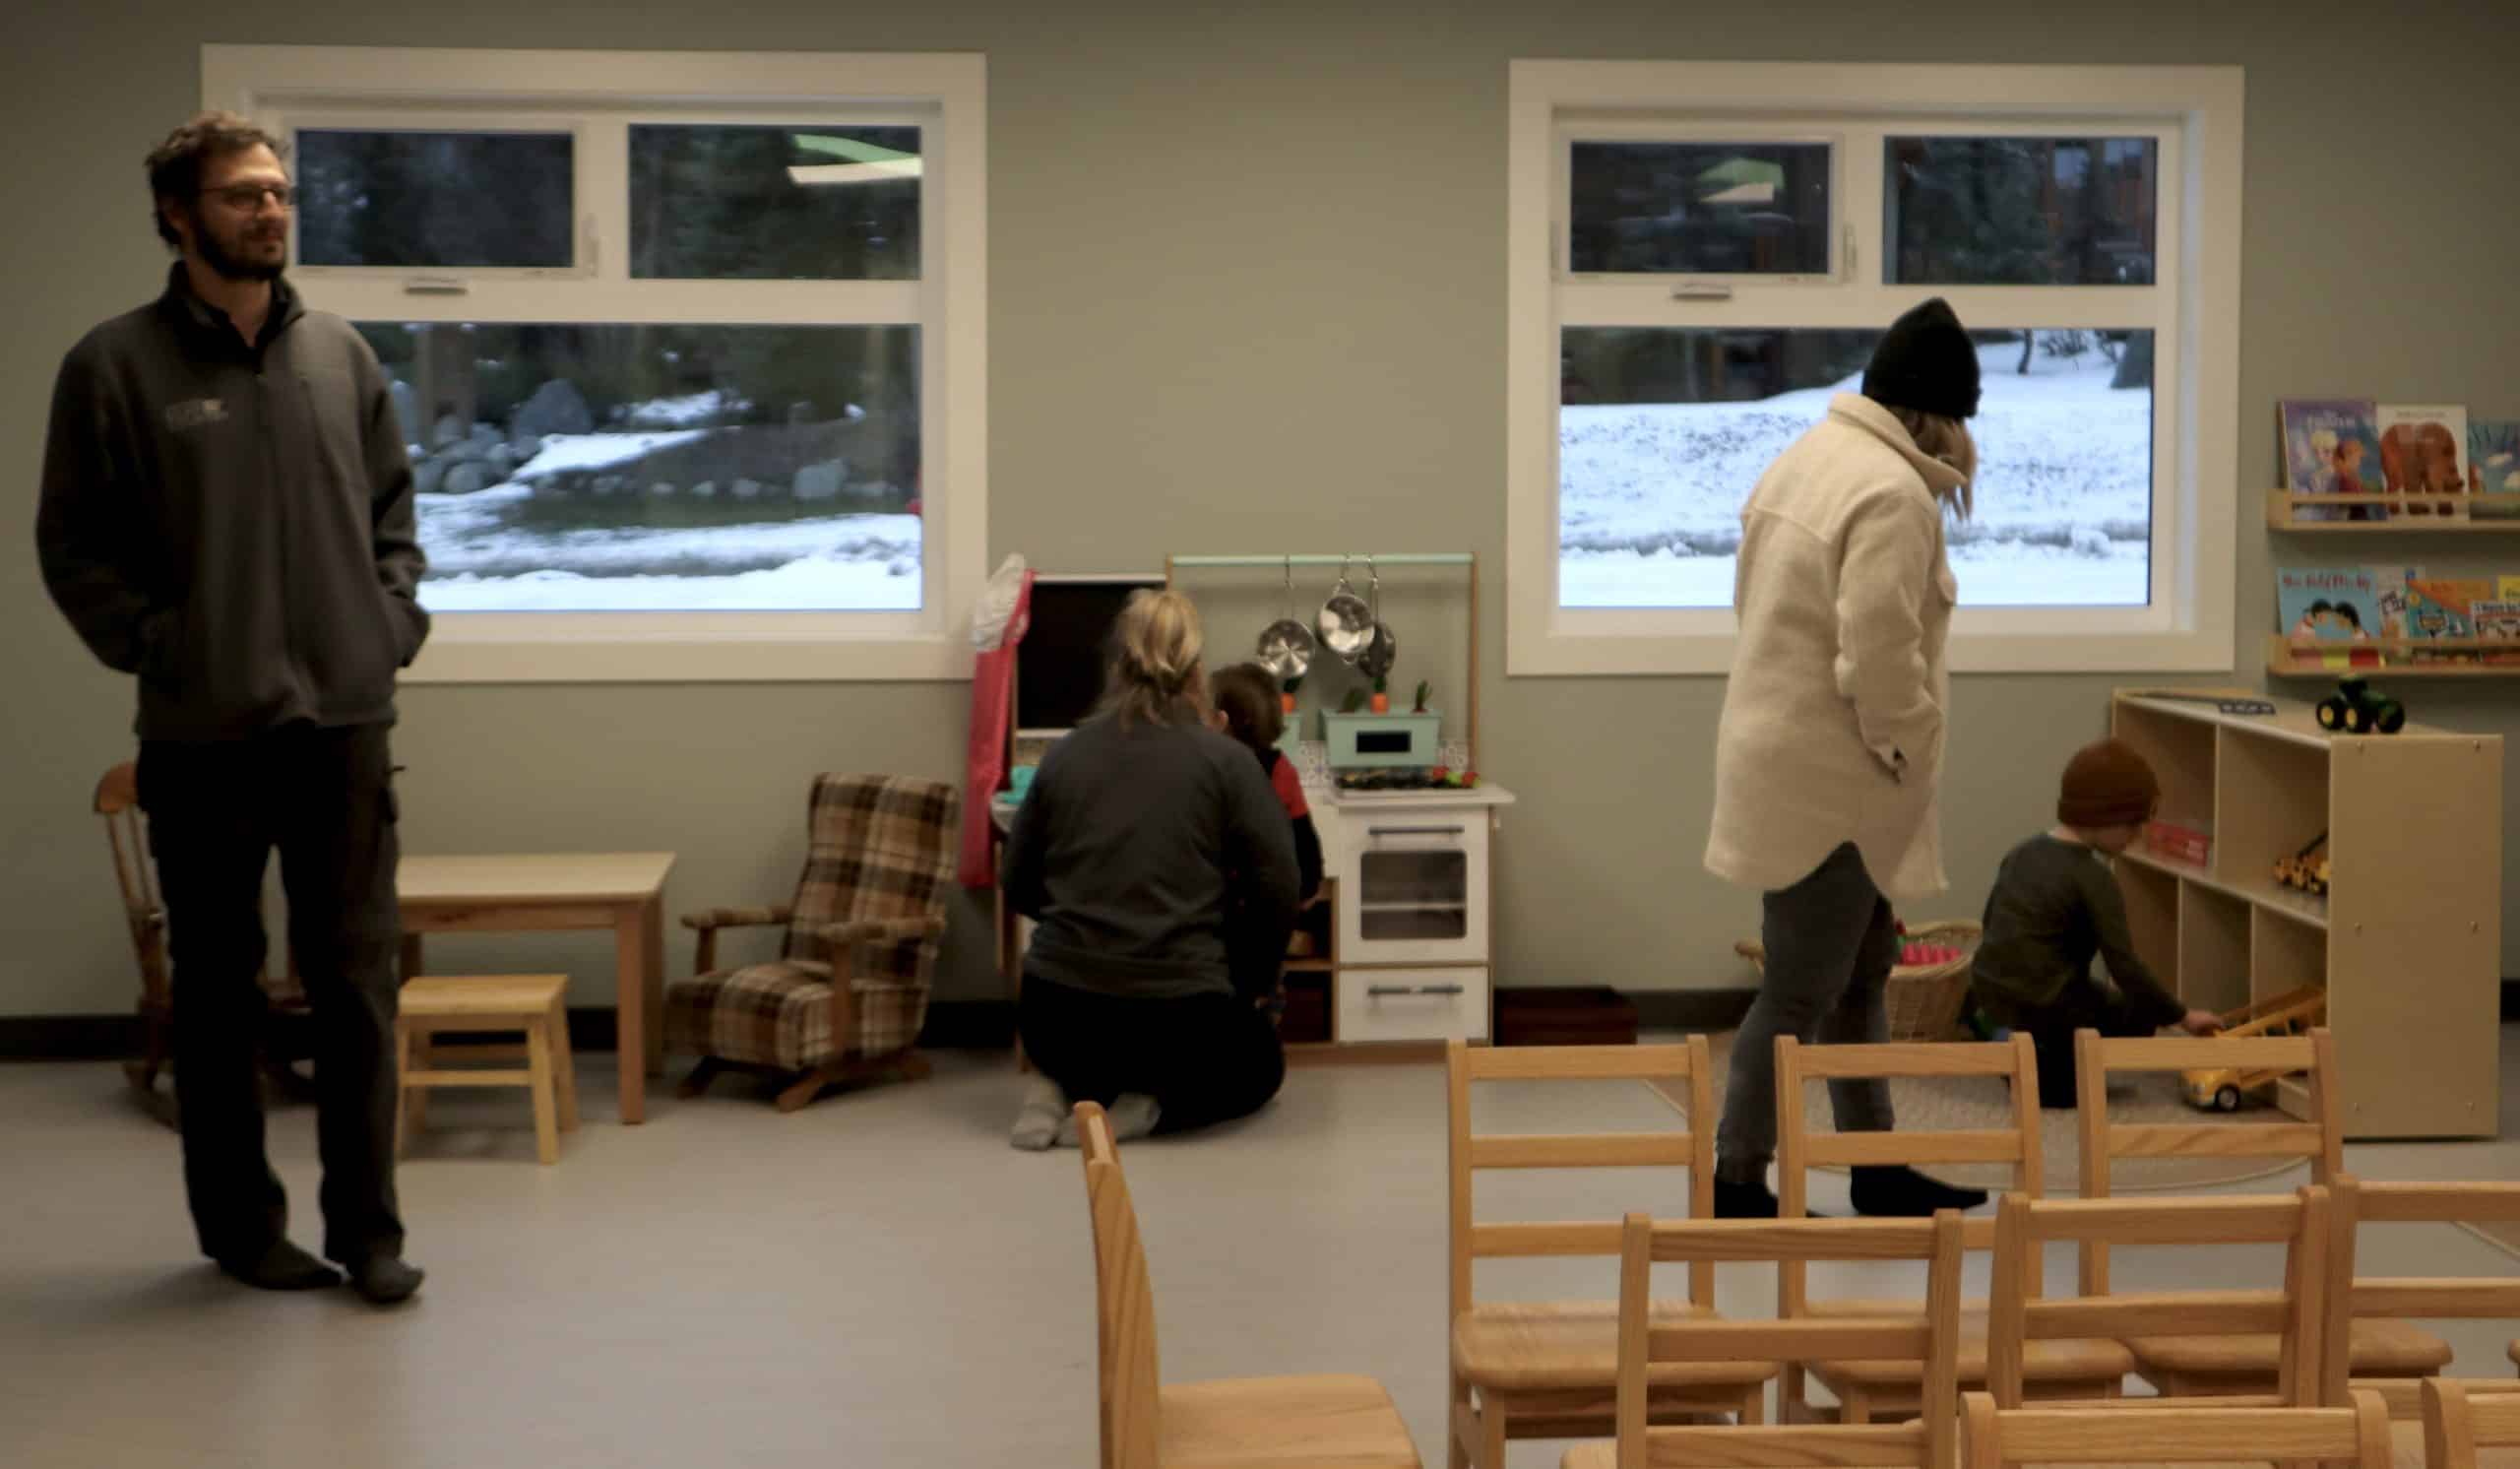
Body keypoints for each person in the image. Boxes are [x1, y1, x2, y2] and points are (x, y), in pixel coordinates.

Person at [36, 112, 429, 1304]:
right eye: (239, 195)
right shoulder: (114, 365)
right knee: (215, 992)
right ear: (178, 214)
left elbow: (393, 522)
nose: (268, 211)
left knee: (358, 982)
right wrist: (168, 649)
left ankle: (369, 1232)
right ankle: (241, 1230)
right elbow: (75, 548)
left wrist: (388, 625)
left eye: (276, 193)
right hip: (202, 736)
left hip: (343, 728)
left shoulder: (343, 358)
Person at [1703, 298, 1992, 1220]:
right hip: (1838, 787)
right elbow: (1876, 654)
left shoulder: (1809, 460)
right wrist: (1907, 741)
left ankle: (1875, 1167)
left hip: (1790, 769)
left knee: (1861, 977)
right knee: (1796, 994)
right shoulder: (1893, 494)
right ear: (1938, 419)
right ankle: (1738, 1184)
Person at [1002, 592, 1300, 1150]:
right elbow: (1279, 890)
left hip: (1054, 1014)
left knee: (1091, 1032)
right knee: (1260, 1066)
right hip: (1174, 1020)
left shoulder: (1063, 755)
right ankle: (1146, 1109)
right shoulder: (1228, 762)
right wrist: (1248, 983)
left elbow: (1017, 882)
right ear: (1195, 672)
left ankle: (1052, 1088)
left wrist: (1090, 921)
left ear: (1116, 666)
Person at [1971, 738, 2224, 1108]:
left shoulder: (2023, 852)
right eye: (2133, 825)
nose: (2136, 836)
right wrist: (2182, 1016)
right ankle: (2047, 1065)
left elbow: (1991, 921)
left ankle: (2009, 1040)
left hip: (1991, 994)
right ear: (2104, 817)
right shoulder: (2093, 877)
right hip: (2047, 1007)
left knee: (2082, 995)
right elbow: (2125, 967)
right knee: (2135, 1013)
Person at [1206, 662, 1324, 1018]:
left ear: (1222, 718)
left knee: (1219, 995)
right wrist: (1306, 890)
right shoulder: (1281, 768)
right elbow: (1304, 837)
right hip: (1267, 911)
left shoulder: (1213, 766)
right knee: (1261, 992)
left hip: (1219, 910)